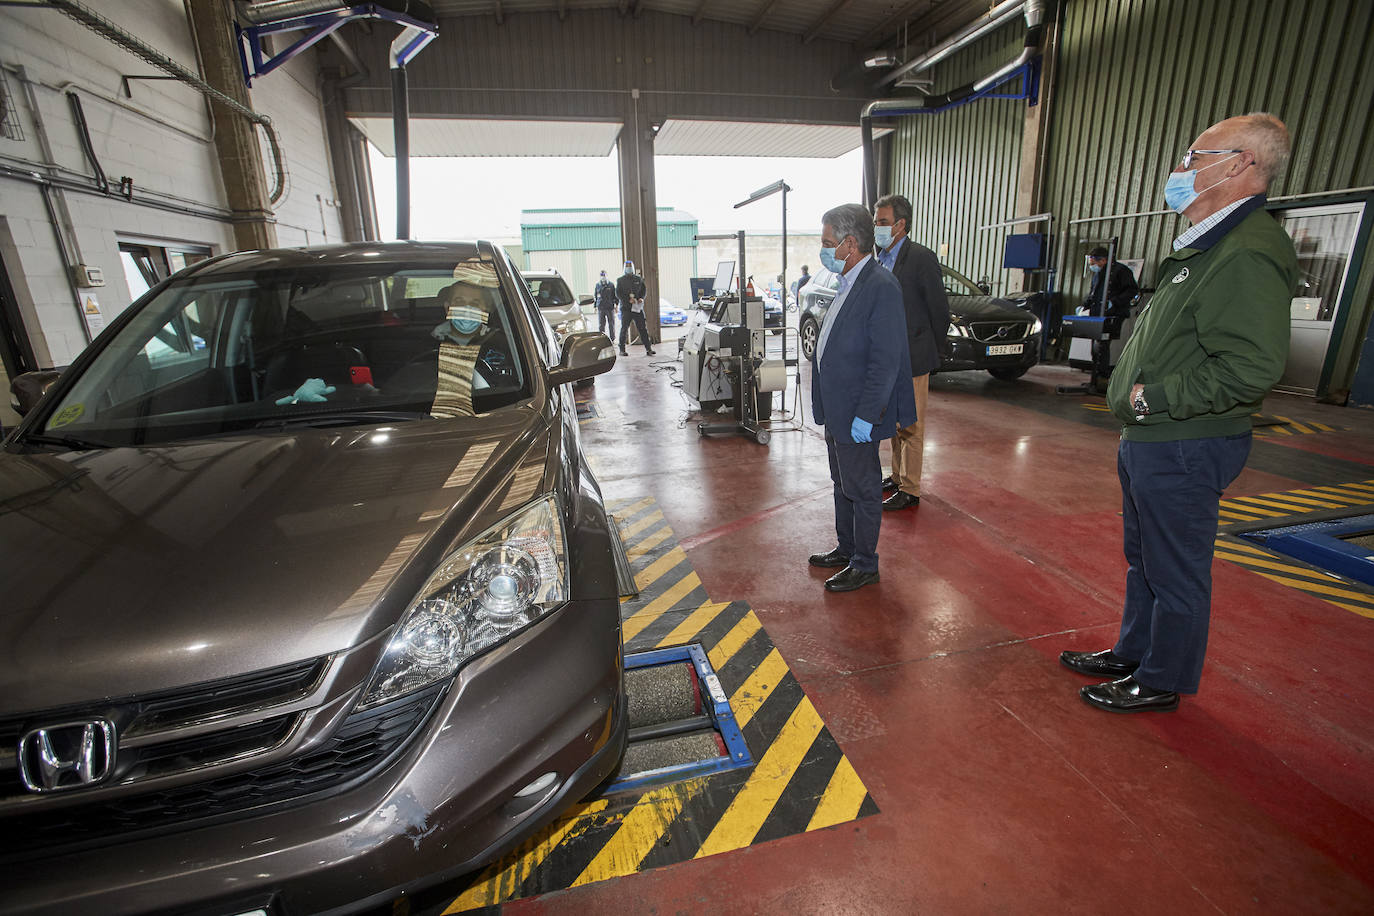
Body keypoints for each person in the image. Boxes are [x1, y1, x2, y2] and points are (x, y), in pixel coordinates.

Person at [1060, 113, 1299, 713]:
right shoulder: (1208, 243)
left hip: (1184, 439)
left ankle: (1162, 677)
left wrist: (1154, 397)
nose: (1179, 171)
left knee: (1176, 567)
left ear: (1241, 165)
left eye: (1193, 159)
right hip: (1153, 439)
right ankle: (1134, 651)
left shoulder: (1244, 251)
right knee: (1145, 558)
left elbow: (1250, 366)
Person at [807, 203, 916, 593]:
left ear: (850, 244)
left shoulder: (880, 287)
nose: (823, 251)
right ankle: (847, 547)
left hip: (857, 412)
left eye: (827, 243)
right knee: (842, 482)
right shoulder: (848, 282)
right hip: (837, 408)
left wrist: (867, 415)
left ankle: (865, 564)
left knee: (864, 487)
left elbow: (885, 362)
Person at [872, 193, 950, 512]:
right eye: (876, 222)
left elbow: (939, 310)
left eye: (883, 222)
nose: (877, 228)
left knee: (912, 425)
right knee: (894, 422)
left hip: (914, 356)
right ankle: (896, 476)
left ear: (901, 225)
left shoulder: (921, 258)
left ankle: (911, 488)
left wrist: (929, 349)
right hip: (889, 357)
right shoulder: (881, 259)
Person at [1083, 246, 1139, 319]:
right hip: (1097, 315)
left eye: (1093, 264)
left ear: (1103, 260)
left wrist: (1114, 302)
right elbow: (1093, 293)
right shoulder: (1098, 274)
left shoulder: (1121, 271)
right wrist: (1085, 306)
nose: (1092, 267)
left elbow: (1131, 290)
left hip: (1116, 314)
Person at [616, 259, 653, 356]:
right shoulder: (620, 280)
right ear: (624, 268)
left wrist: (641, 298)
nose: (628, 268)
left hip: (637, 308)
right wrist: (627, 300)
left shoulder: (638, 279)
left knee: (642, 329)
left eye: (630, 266)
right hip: (626, 308)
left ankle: (648, 348)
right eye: (627, 267)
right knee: (624, 329)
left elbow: (643, 290)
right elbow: (618, 293)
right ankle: (622, 350)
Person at [593, 269, 617, 339]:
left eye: (604, 275)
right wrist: (595, 306)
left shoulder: (611, 285)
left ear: (607, 276)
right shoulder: (598, 285)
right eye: (601, 275)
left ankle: (612, 338)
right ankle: (601, 338)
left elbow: (614, 296)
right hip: (601, 307)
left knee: (611, 324)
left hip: (609, 307)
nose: (603, 277)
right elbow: (596, 296)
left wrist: (616, 305)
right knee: (601, 325)